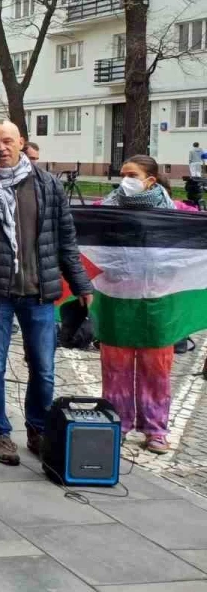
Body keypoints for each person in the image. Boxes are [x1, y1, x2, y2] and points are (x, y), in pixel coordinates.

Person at [0, 119, 92, 466]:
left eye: (7, 141)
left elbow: (65, 237)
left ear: (21, 143)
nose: (0, 149)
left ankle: (37, 428)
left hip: (38, 292)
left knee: (44, 368)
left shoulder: (47, 185)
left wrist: (79, 281)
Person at [97, 155, 196, 453]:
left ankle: (155, 429)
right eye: (123, 173)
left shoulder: (177, 213)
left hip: (158, 302)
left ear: (150, 180)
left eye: (132, 174)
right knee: (116, 366)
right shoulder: (106, 210)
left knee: (157, 367)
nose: (125, 179)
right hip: (117, 300)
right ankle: (118, 423)